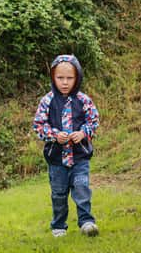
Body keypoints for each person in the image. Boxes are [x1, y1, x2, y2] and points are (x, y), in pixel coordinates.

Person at [32, 54, 100, 238]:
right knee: (59, 194)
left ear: (77, 78)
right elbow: (38, 125)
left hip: (79, 157)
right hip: (56, 159)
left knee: (81, 187)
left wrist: (83, 132)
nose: (65, 82)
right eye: (60, 78)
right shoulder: (47, 101)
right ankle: (59, 225)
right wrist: (54, 135)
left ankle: (86, 222)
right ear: (53, 77)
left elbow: (94, 121)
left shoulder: (83, 100)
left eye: (69, 78)